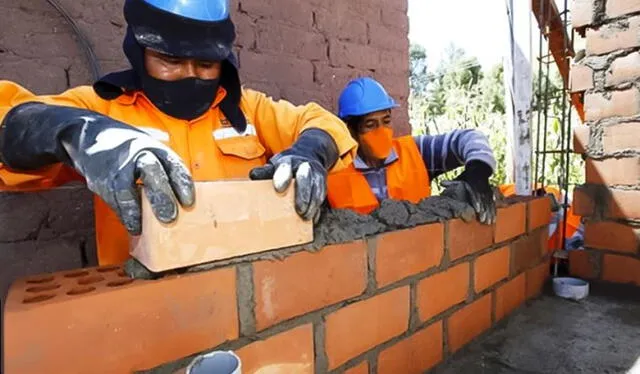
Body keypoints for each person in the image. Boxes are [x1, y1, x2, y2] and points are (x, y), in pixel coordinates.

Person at [0, 0, 356, 266]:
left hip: (246, 297)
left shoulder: (248, 110)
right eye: (170, 61)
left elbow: (321, 123)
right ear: (140, 53)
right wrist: (73, 133)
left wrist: (312, 151)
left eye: (205, 64)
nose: (190, 74)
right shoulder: (99, 109)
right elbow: (9, 119)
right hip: (147, 311)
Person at [326, 77, 497, 224]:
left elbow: (470, 138)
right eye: (370, 125)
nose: (381, 130)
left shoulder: (416, 151)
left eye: (386, 121)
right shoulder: (333, 172)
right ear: (351, 131)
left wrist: (478, 171)